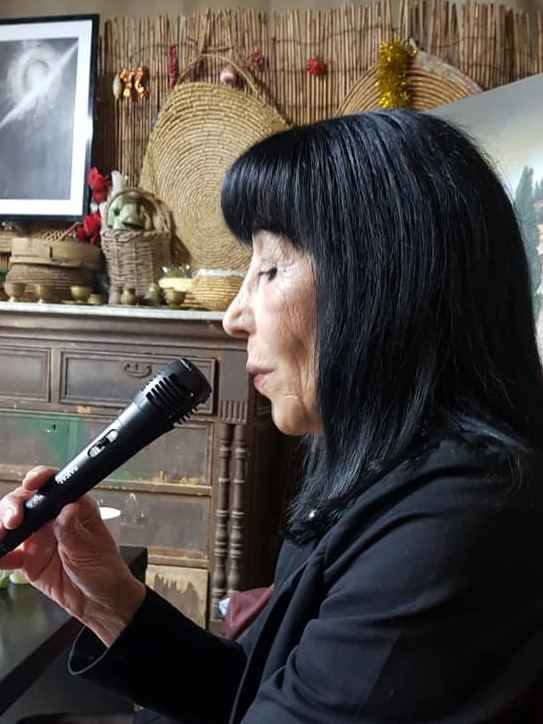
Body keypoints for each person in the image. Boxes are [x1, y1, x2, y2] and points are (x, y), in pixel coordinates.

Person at [2, 110, 543, 723]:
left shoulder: (456, 521)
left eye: (269, 268)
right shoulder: (383, 477)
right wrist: (105, 598)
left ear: (383, 280)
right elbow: (255, 695)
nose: (234, 318)